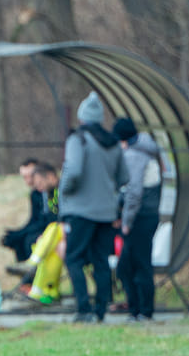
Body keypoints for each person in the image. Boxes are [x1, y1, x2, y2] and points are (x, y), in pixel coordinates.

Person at [58, 92, 129, 323]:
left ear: (81, 117)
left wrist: (65, 190)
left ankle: (83, 308)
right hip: (107, 213)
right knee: (101, 261)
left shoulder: (77, 139)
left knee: (74, 258)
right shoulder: (114, 143)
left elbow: (74, 171)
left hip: (80, 211)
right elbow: (123, 177)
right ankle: (101, 309)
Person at [113, 117, 162, 322]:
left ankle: (143, 311)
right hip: (148, 215)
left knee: (136, 265)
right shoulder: (146, 150)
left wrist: (126, 222)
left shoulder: (134, 155)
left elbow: (133, 193)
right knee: (130, 265)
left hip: (140, 218)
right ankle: (137, 310)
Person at [7, 163, 63, 303]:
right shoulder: (39, 194)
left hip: (61, 232)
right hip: (51, 231)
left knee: (40, 240)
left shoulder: (59, 191)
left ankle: (33, 267)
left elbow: (56, 218)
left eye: (38, 182)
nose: (35, 185)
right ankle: (32, 285)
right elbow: (36, 219)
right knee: (19, 240)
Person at [1, 158, 47, 262]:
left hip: (51, 228)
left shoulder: (51, 191)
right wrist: (18, 232)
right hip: (40, 227)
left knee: (28, 240)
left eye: (29, 176)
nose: (28, 180)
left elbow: (46, 219)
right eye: (24, 177)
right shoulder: (34, 194)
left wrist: (22, 233)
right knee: (17, 241)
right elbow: (33, 219)